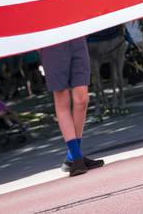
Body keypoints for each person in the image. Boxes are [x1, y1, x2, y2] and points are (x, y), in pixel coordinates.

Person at [39, 38, 104, 176]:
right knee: (62, 98)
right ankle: (76, 157)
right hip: (50, 40)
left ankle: (73, 156)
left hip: (75, 35)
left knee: (82, 99)